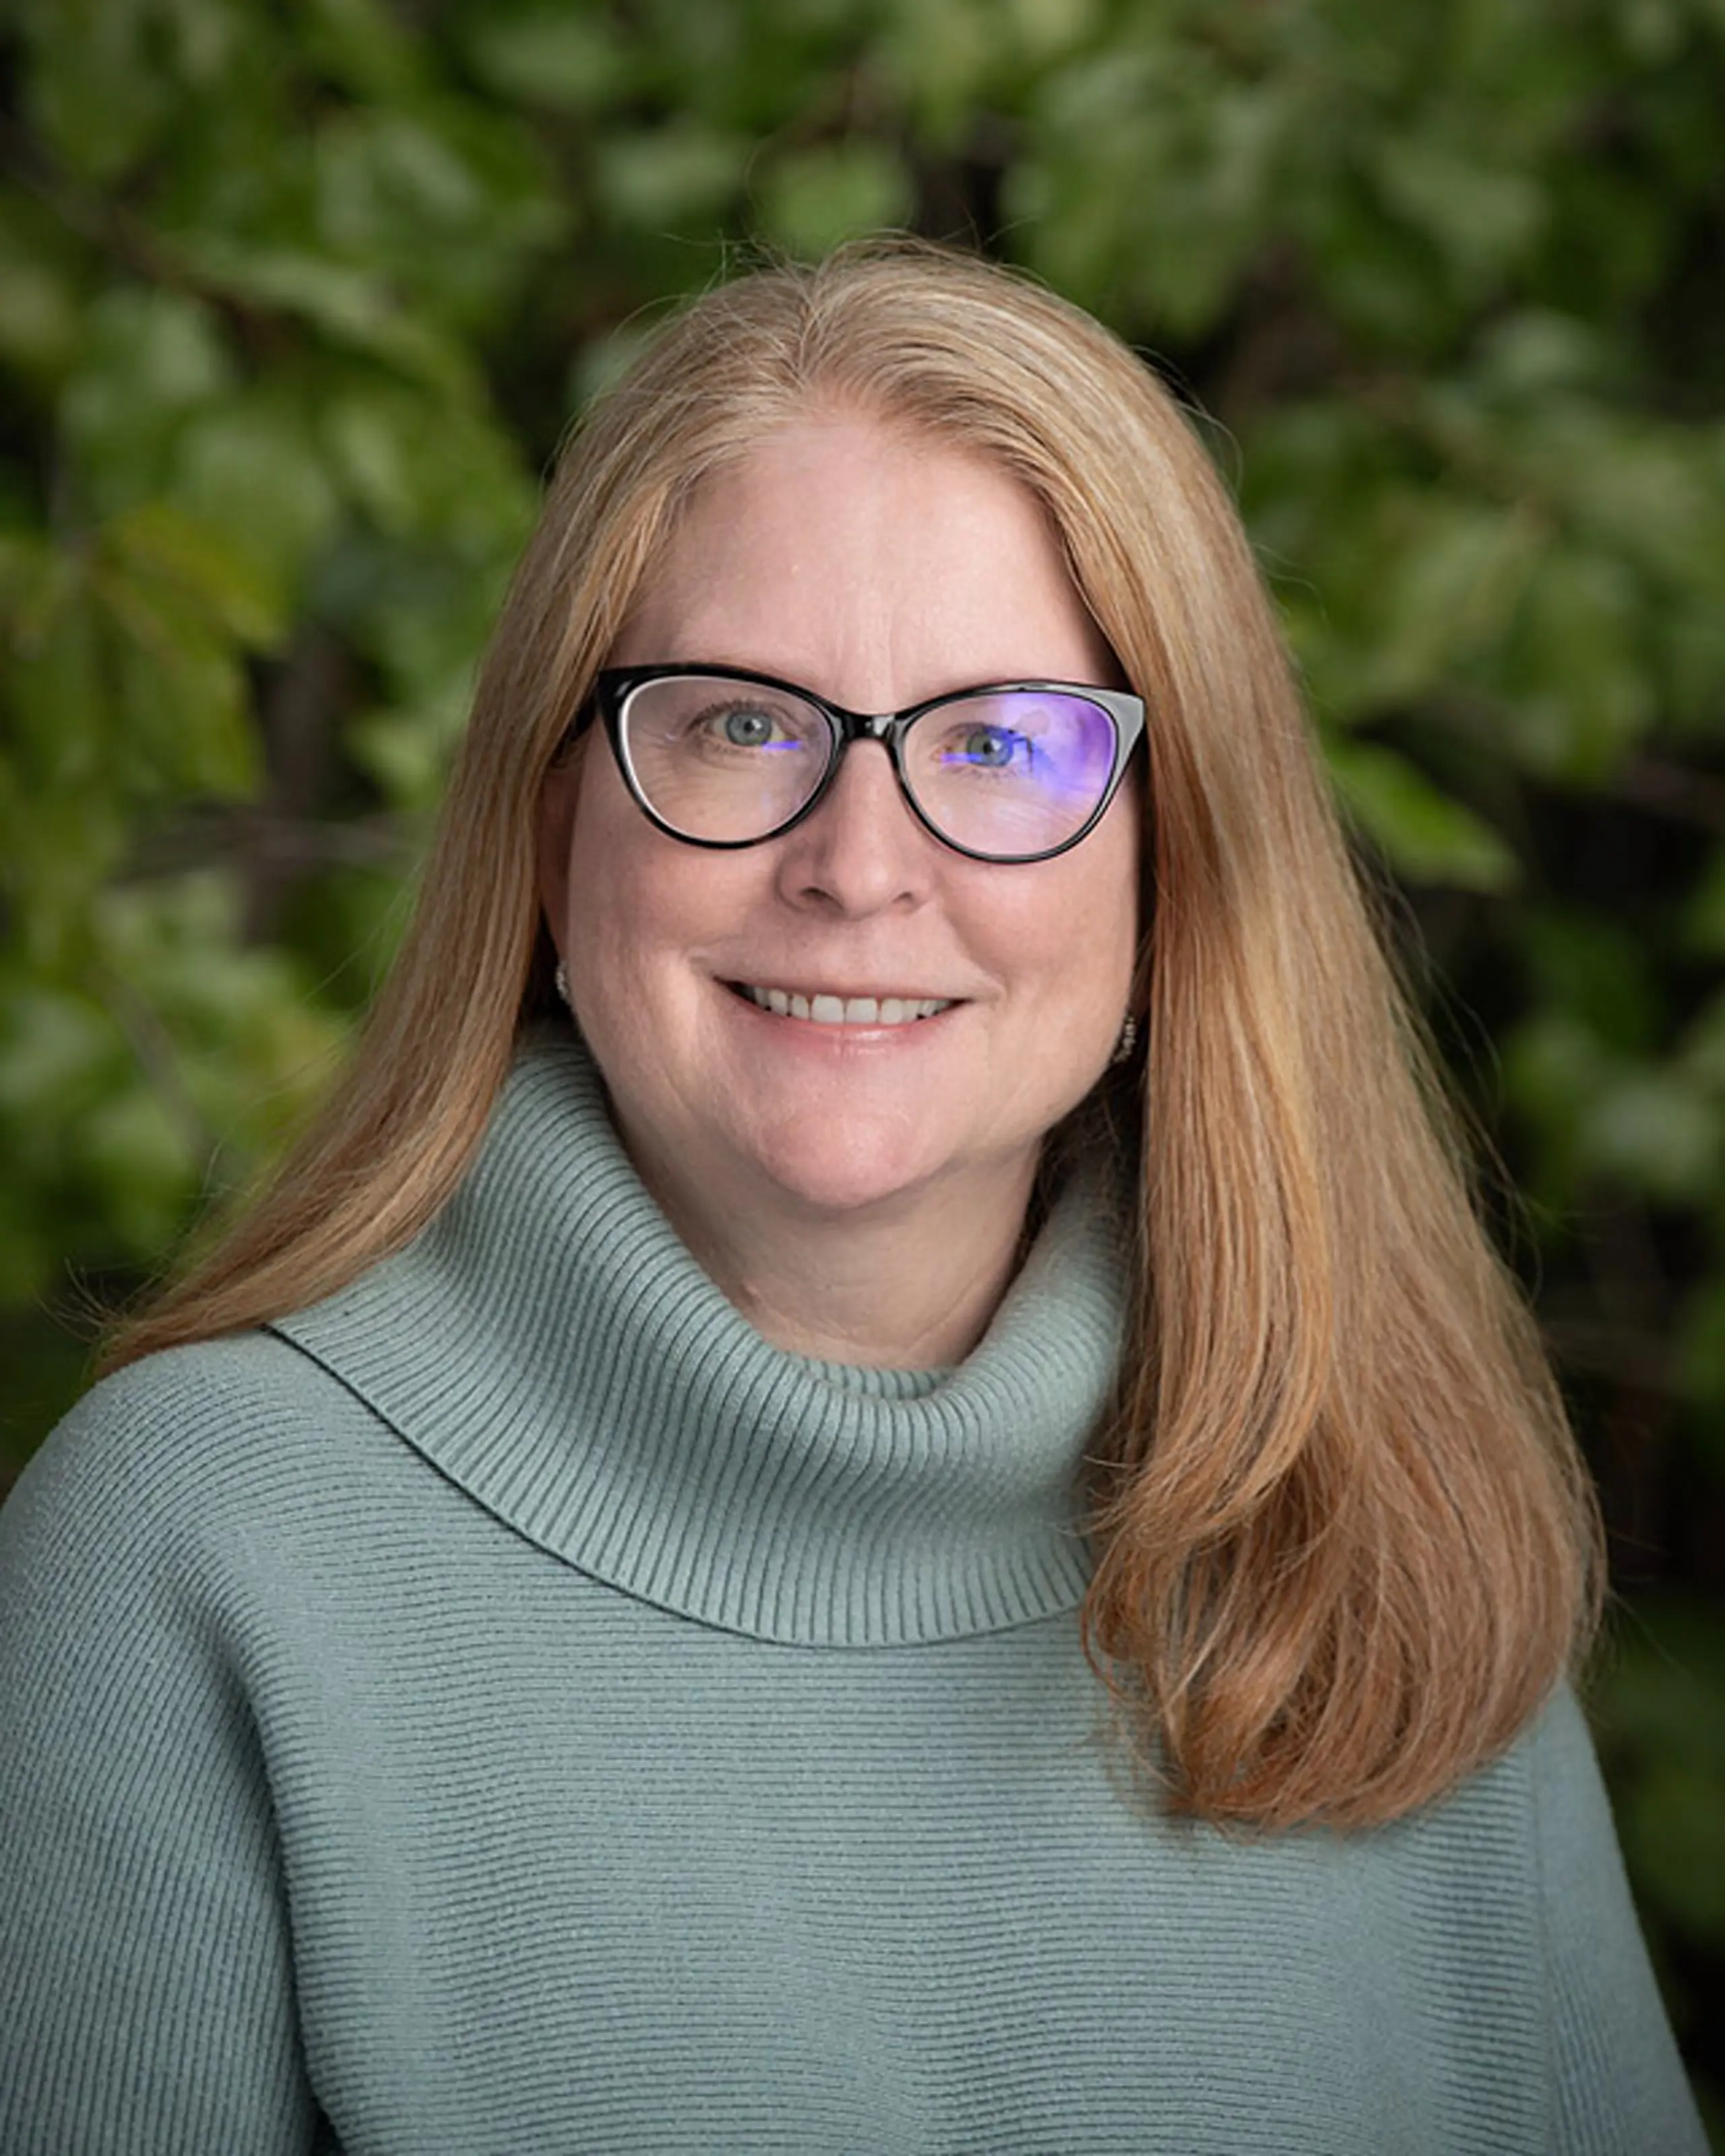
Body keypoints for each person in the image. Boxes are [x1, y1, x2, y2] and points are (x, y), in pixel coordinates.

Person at [0, 241, 1705, 2155]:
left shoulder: (1384, 1528)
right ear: (554, 832)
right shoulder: (197, 1553)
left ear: (1178, 875)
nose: (859, 864)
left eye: (999, 743)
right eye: (742, 721)